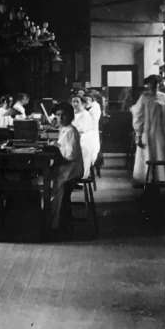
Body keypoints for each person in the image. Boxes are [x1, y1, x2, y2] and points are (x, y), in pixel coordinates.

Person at [44, 101, 86, 232]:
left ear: (71, 116)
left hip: (72, 169)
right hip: (68, 167)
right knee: (54, 182)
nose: (60, 118)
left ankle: (59, 223)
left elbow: (70, 155)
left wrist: (56, 148)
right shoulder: (64, 129)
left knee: (58, 187)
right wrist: (56, 145)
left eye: (64, 115)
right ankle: (56, 220)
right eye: (58, 115)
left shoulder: (71, 131)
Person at [129, 75, 165, 187]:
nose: (155, 87)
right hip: (147, 131)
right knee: (147, 154)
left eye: (157, 84)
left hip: (161, 131)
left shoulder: (164, 97)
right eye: (152, 84)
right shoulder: (144, 97)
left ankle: (161, 179)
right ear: (148, 85)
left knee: (161, 153)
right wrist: (138, 134)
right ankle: (148, 179)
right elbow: (138, 115)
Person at [73, 92, 101, 180]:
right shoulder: (74, 114)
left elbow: (81, 130)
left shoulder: (85, 115)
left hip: (83, 142)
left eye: (77, 102)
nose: (75, 104)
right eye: (73, 102)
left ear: (83, 104)